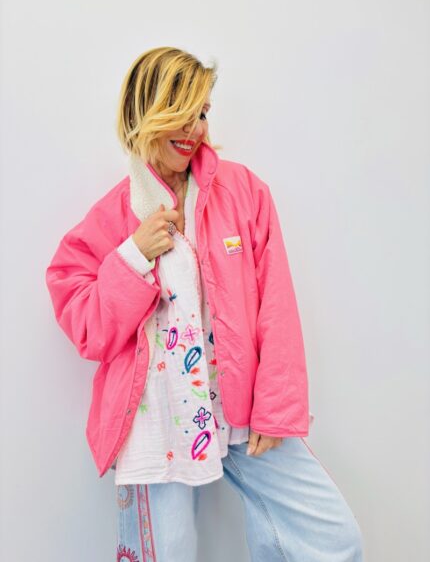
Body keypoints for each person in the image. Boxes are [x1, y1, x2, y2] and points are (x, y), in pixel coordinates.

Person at [45, 46, 364, 561]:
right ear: (146, 110)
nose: (194, 128)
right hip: (157, 422)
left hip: (241, 410)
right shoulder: (114, 215)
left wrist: (276, 409)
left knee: (332, 539)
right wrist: (133, 255)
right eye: (182, 111)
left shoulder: (243, 191)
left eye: (202, 113)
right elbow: (86, 327)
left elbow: (276, 305)